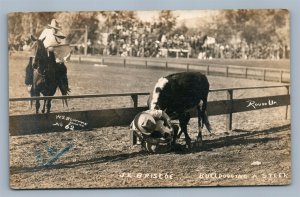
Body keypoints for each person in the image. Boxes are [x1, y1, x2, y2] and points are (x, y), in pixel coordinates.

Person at [38, 19, 71, 93]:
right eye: (53, 28)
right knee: (35, 64)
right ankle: (31, 83)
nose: (54, 30)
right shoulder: (46, 31)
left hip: (56, 54)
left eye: (56, 29)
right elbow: (39, 40)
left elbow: (63, 46)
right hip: (45, 52)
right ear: (51, 27)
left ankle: (64, 87)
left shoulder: (61, 35)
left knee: (63, 68)